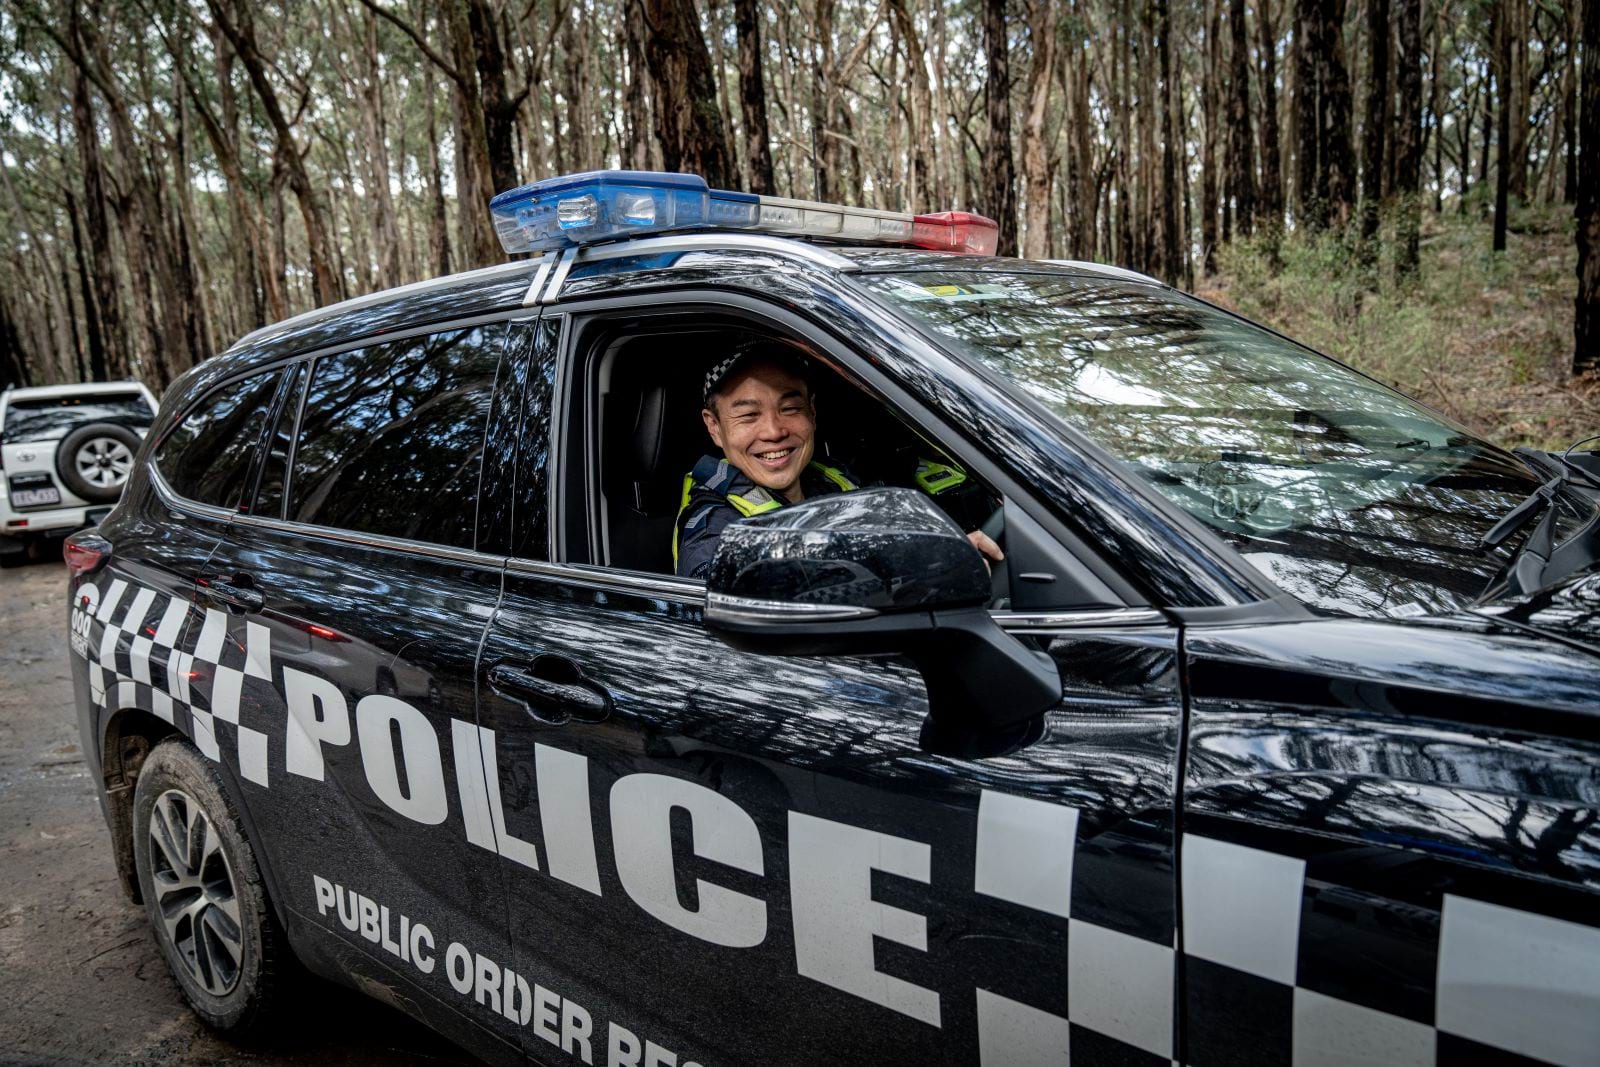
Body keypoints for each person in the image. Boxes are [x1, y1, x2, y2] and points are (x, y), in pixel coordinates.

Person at [673, 341, 1005, 579]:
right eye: (748, 416)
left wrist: (949, 545)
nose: (774, 431)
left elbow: (897, 526)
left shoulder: (834, 477)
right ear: (714, 427)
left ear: (812, 413)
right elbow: (733, 586)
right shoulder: (711, 525)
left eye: (790, 409)